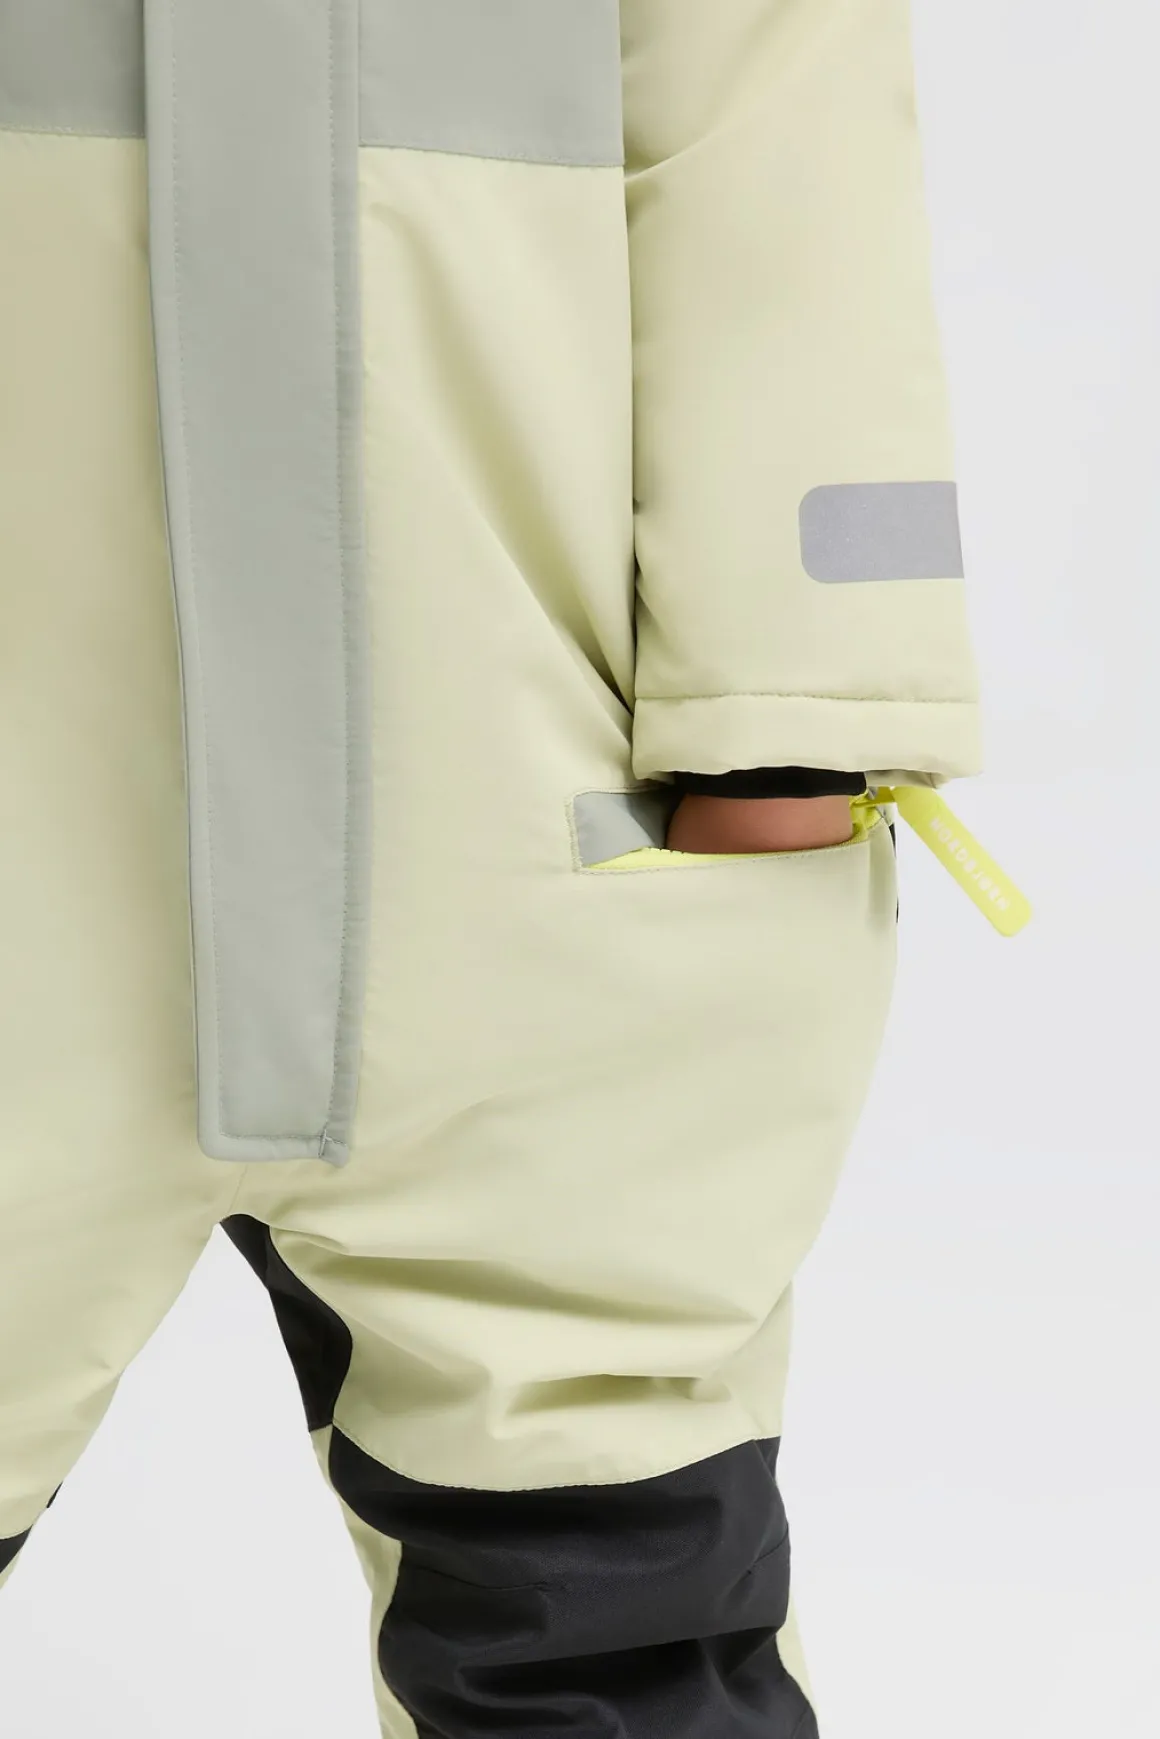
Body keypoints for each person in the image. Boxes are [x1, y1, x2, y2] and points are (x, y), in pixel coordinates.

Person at [0, 3, 980, 1733]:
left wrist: (791, 731)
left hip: (534, 854)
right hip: (70, 826)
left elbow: (777, 136)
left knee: (608, 1601)